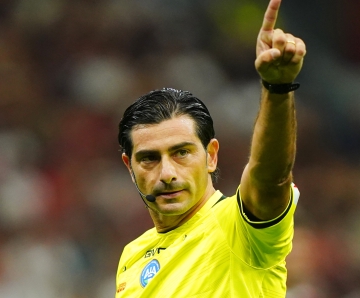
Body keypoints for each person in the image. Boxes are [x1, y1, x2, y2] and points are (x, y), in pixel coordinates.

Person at [115, 0, 306, 296]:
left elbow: (270, 178)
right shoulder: (133, 255)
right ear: (130, 167)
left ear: (211, 156)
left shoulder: (240, 228)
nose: (167, 173)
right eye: (150, 158)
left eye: (181, 152)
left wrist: (277, 89)